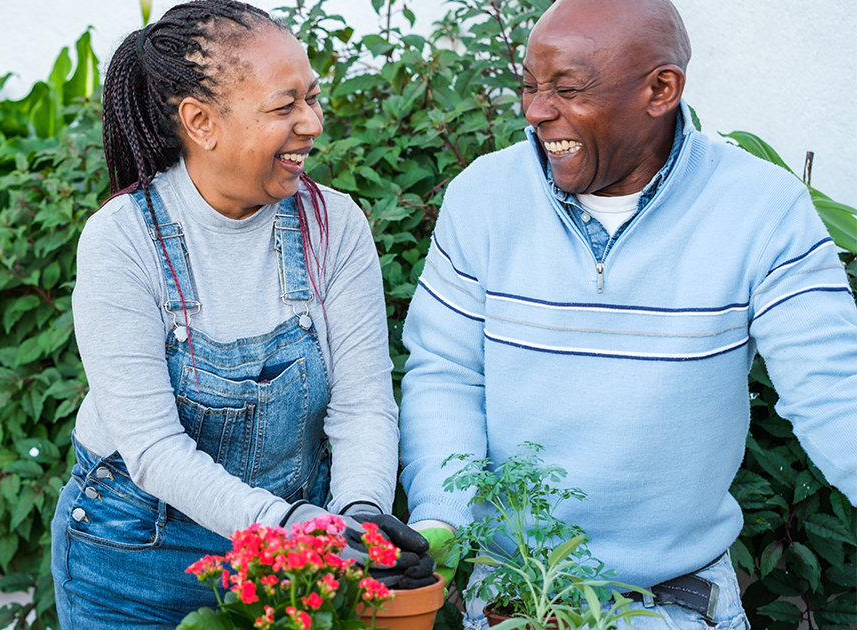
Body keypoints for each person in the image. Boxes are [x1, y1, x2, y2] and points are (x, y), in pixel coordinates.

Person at [398, 0, 857, 628]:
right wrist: (441, 515)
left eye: (567, 89)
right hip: (515, 594)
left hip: (680, 601)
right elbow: (446, 372)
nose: (536, 110)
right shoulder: (484, 195)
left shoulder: (763, 210)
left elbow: (835, 391)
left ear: (661, 89)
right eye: (530, 86)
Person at [49, 2, 429, 628]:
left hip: (298, 557)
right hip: (136, 557)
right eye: (284, 107)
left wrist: (358, 518)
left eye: (312, 98)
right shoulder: (123, 240)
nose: (311, 123)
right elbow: (153, 450)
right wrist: (291, 527)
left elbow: (362, 404)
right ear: (201, 121)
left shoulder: (334, 225)